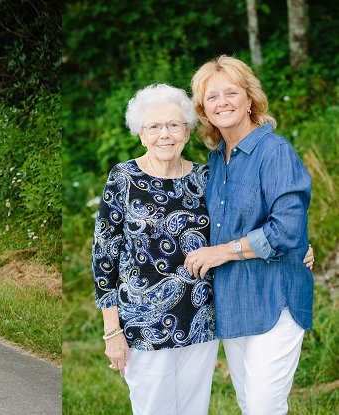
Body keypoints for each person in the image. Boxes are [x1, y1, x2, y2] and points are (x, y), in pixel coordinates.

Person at [185, 55, 313, 415]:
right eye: (212, 97)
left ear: (249, 99)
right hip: (234, 302)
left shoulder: (275, 152)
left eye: (231, 92)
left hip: (275, 299)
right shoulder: (216, 160)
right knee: (248, 405)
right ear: (203, 110)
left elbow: (287, 227)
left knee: (263, 408)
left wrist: (222, 252)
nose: (222, 102)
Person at [92, 83, 219, 415]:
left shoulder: (205, 178)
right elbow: (104, 257)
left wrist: (296, 245)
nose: (165, 134)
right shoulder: (123, 178)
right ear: (141, 134)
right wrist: (111, 332)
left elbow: (238, 227)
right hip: (142, 324)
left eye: (174, 125)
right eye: (154, 127)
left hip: (201, 320)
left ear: (187, 132)